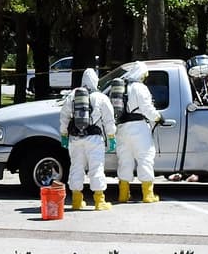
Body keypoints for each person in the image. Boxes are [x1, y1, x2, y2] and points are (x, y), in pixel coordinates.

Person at [59, 68, 117, 211]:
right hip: (94, 139)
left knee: (76, 167)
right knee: (96, 167)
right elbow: (109, 120)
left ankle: (77, 201)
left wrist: (64, 135)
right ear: (95, 80)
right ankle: (99, 201)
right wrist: (111, 137)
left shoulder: (72, 95)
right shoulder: (101, 97)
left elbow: (64, 117)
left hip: (75, 138)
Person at [114, 61, 162, 203]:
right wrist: (158, 117)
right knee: (145, 158)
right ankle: (148, 195)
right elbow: (147, 109)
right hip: (139, 128)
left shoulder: (123, 87)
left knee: (124, 160)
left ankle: (123, 194)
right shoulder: (140, 88)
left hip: (122, 128)